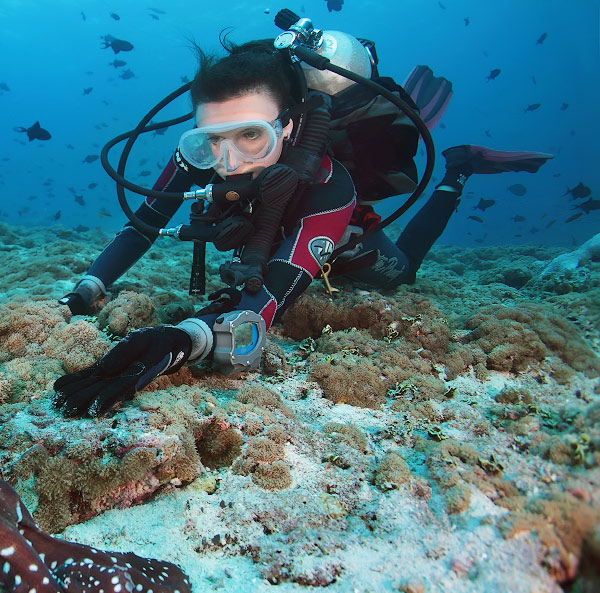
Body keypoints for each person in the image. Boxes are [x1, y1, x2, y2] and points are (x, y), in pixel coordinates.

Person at [53, 38, 551, 418]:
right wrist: (83, 291)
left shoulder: (332, 188)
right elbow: (141, 226)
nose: (228, 161)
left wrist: (186, 339)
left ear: (288, 127)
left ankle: (457, 172)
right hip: (266, 239)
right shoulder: (200, 155)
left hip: (342, 238)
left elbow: (266, 305)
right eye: (210, 141)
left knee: (399, 273)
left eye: (252, 135)